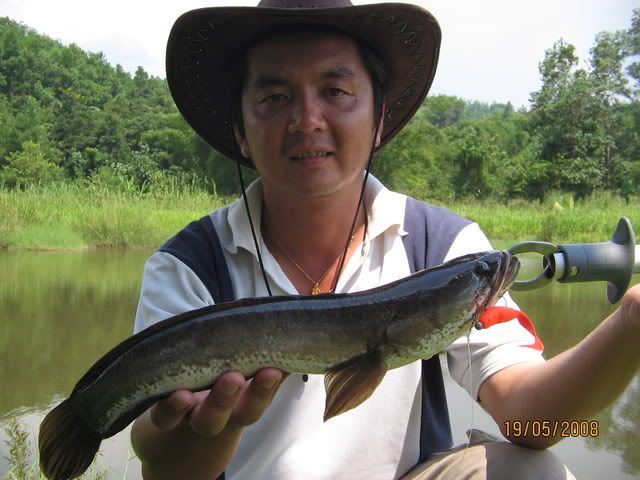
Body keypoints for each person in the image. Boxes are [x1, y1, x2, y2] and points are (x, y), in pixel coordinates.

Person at [130, 1, 640, 479]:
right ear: (241, 130)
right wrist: (217, 423)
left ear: (378, 119)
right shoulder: (189, 266)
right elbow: (166, 468)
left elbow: (531, 422)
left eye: (336, 91)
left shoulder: (446, 247)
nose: (307, 120)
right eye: (274, 97)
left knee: (531, 471)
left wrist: (630, 325)